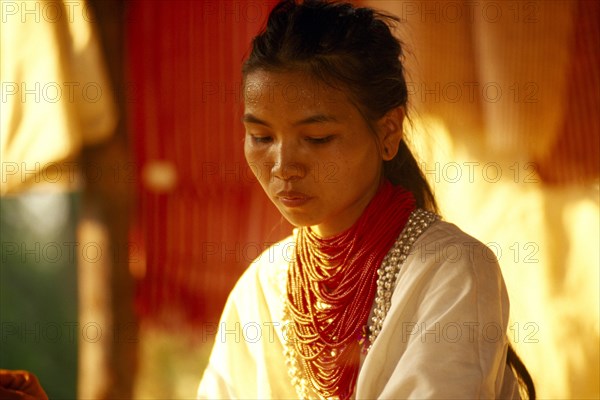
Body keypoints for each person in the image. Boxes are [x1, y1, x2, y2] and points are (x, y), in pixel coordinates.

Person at [197, 1, 535, 399]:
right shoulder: (262, 288)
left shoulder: (450, 270)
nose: (284, 165)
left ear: (388, 132)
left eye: (318, 138)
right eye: (262, 138)